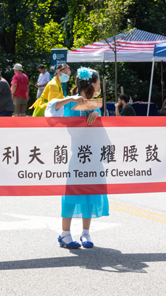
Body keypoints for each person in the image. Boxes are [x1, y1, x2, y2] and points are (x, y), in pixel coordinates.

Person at [45, 67, 107, 248]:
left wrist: (96, 114)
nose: (99, 86)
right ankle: (65, 234)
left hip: (93, 154)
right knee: (72, 192)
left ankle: (86, 233)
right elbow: (51, 109)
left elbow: (102, 125)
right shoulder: (70, 103)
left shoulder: (94, 103)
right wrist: (72, 98)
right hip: (77, 153)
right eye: (97, 83)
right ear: (91, 84)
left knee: (90, 191)